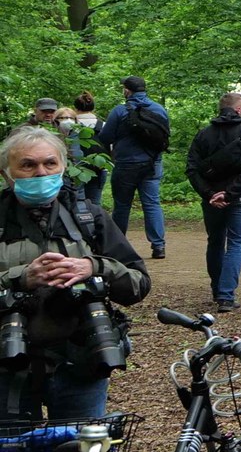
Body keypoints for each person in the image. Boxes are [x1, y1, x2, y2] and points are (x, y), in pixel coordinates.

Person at [0, 123, 148, 427]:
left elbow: (138, 284)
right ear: (7, 172)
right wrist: (19, 278)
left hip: (80, 361)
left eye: (49, 163)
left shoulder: (88, 217)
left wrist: (94, 267)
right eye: (27, 165)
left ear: (63, 167)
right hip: (7, 365)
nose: (41, 173)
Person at [185, 83, 241, 309]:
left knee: (215, 241)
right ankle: (226, 296)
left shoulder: (204, 134)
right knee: (236, 243)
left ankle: (218, 289)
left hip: (212, 201)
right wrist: (230, 193)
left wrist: (209, 194)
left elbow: (192, 168)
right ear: (239, 110)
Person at [96, 73, 170, 260]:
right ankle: (158, 246)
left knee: (122, 205)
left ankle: (117, 246)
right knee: (152, 203)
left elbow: (105, 137)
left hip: (126, 165)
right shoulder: (159, 109)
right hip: (153, 164)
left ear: (127, 91)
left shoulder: (120, 111)